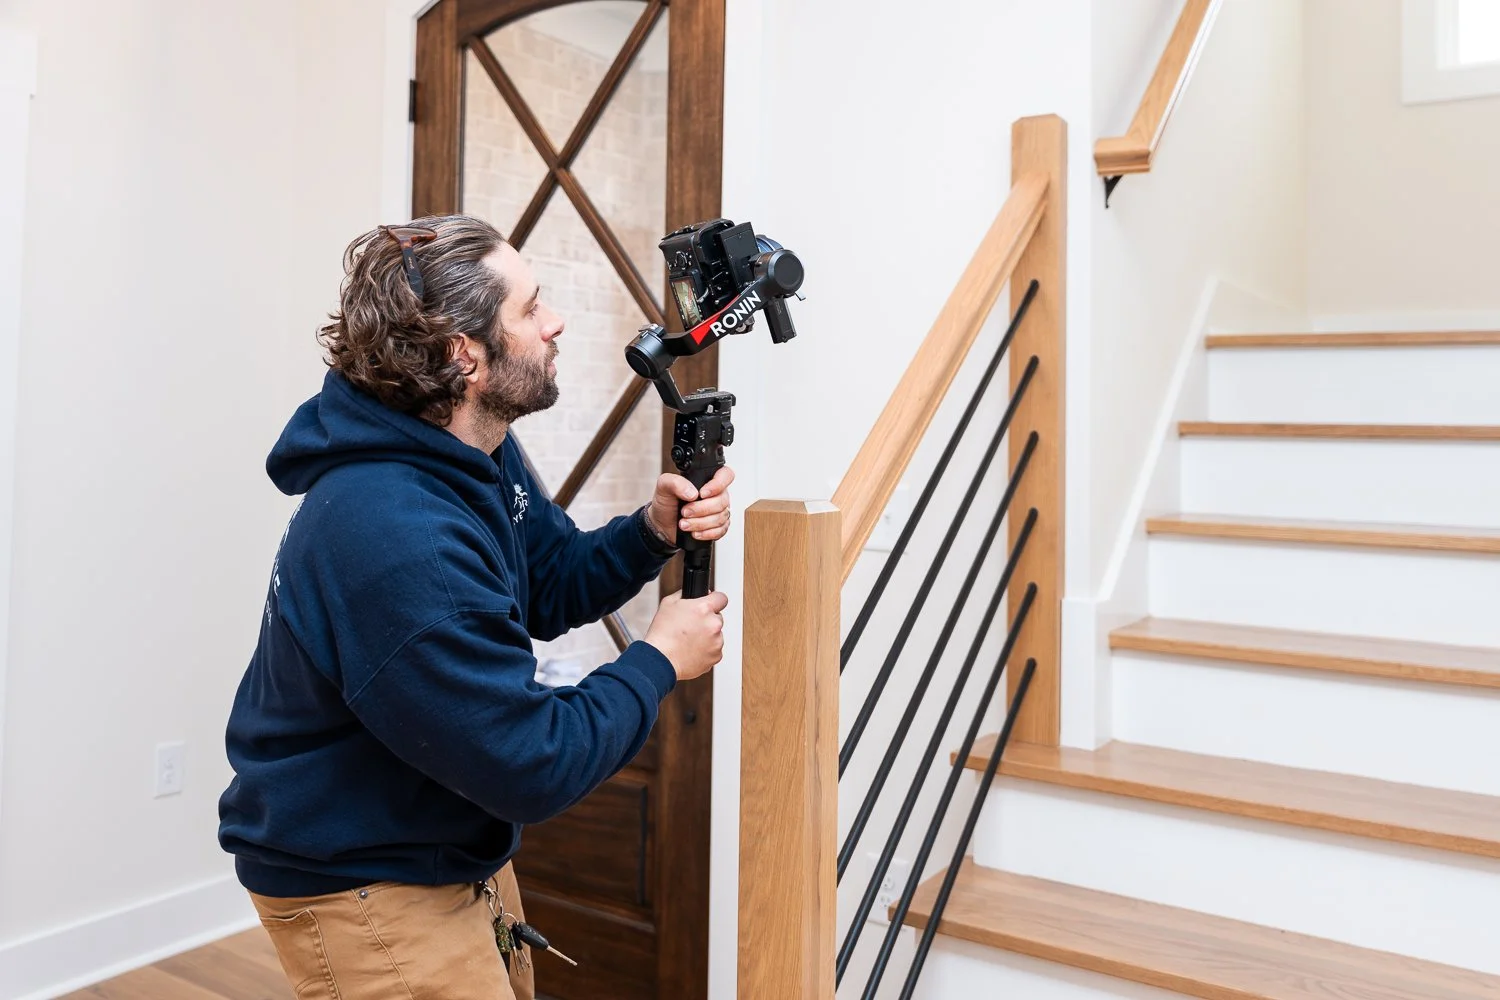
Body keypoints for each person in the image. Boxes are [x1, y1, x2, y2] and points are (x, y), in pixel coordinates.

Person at [218, 214, 732, 1000]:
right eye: (531, 309)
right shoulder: (396, 534)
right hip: (365, 887)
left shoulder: (469, 446)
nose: (555, 321)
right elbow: (532, 761)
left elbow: (550, 578)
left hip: (446, 850)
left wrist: (650, 534)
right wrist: (657, 659)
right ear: (467, 357)